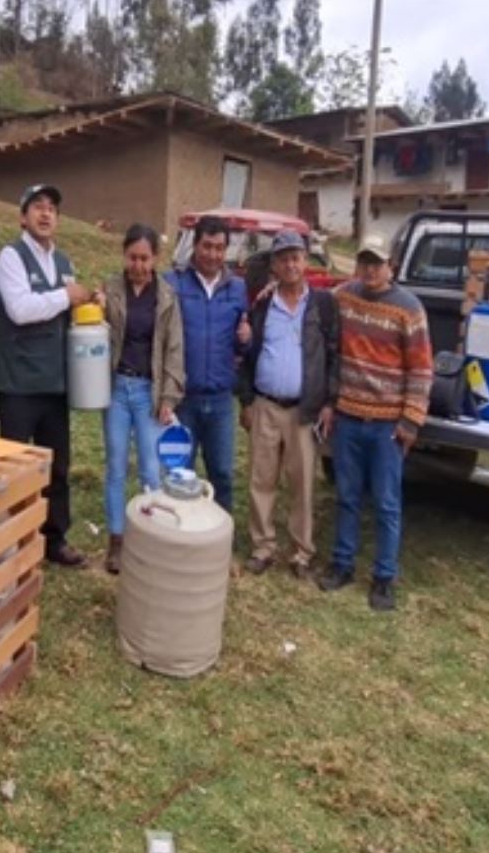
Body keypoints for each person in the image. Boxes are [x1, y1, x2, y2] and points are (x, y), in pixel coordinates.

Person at [319, 234, 434, 612]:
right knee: (348, 497)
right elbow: (313, 305)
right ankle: (342, 564)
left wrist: (411, 422)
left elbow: (421, 370)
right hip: (348, 416)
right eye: (364, 262)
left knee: (386, 503)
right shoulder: (343, 298)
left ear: (392, 267)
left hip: (387, 426)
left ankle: (384, 577)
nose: (370, 270)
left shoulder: (409, 309)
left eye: (377, 263)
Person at [0, 183, 98, 568]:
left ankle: (54, 539)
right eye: (37, 206)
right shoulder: (11, 256)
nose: (46, 213)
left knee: (57, 466)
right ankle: (11, 540)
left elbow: (66, 313)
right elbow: (19, 309)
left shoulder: (64, 262)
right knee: (15, 469)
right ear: (23, 216)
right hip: (19, 383)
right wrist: (66, 296)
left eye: (52, 207)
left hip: (55, 383)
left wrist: (88, 301)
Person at [236, 231, 339, 580]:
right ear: (274, 266)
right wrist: (247, 400)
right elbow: (248, 356)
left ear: (306, 262)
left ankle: (301, 552)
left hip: (303, 410)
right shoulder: (262, 305)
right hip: (266, 404)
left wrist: (329, 402)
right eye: (283, 259)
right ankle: (263, 546)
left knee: (302, 483)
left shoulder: (323, 305)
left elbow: (335, 355)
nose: (290, 264)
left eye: (296, 257)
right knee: (261, 479)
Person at [99, 223, 185, 574]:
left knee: (151, 468)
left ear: (156, 258)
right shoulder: (111, 290)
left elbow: (174, 350)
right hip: (117, 390)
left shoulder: (166, 297)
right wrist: (97, 307)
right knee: (116, 466)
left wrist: (169, 396)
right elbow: (94, 334)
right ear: (124, 255)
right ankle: (117, 540)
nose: (137, 265)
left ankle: (150, 536)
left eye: (144, 258)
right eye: (132, 257)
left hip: (149, 393)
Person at [165, 217, 252, 513]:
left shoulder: (238, 288)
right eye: (207, 246)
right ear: (195, 245)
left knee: (223, 475)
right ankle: (181, 539)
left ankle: (219, 538)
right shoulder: (173, 283)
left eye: (220, 248)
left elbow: (244, 344)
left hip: (220, 401)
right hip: (183, 400)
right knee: (179, 475)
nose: (213, 254)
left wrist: (246, 338)